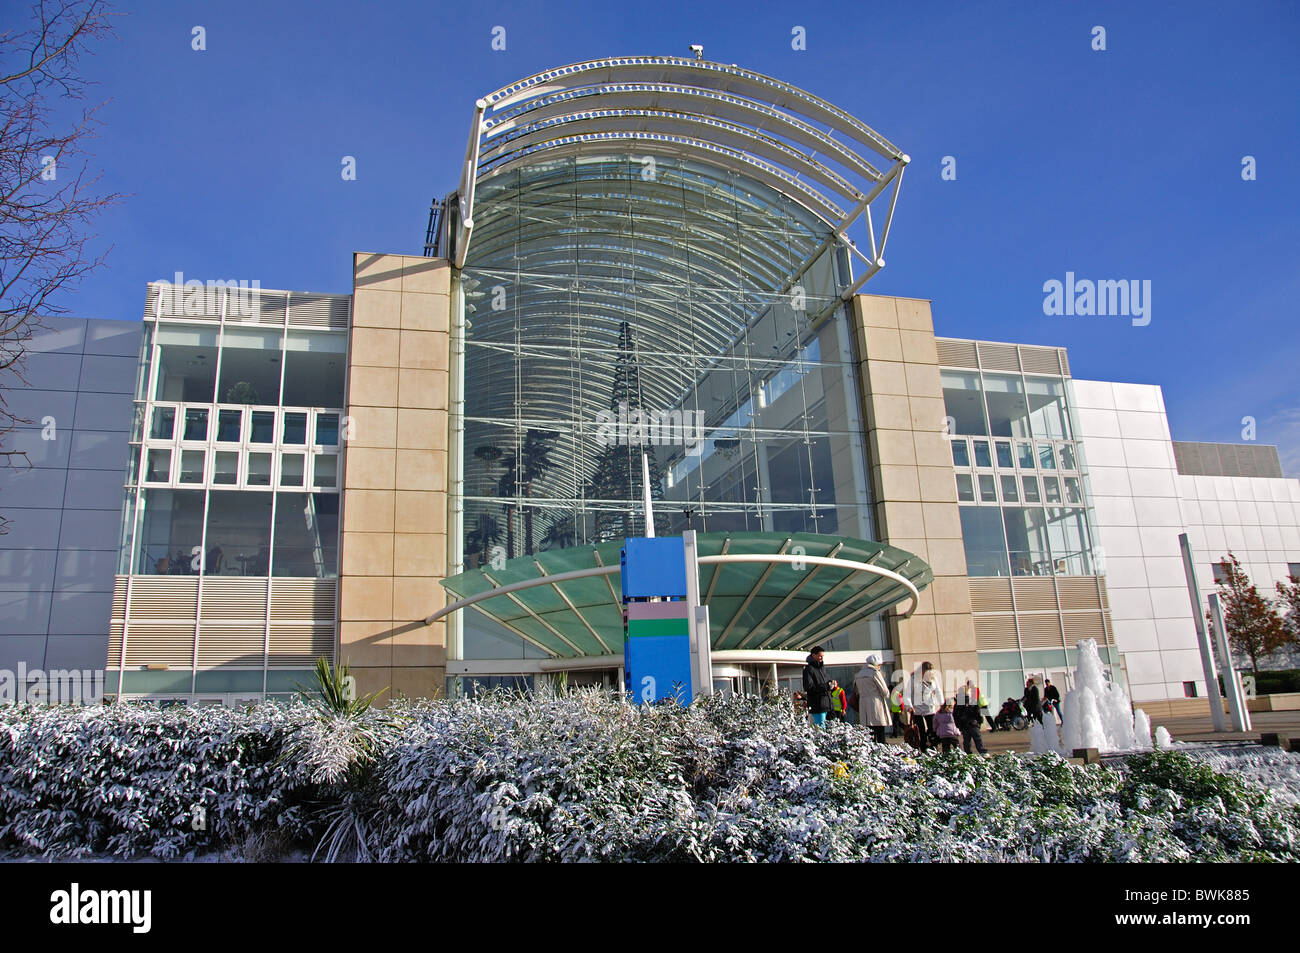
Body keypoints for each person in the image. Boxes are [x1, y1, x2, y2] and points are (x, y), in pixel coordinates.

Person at [906, 661, 944, 751]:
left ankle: (933, 747)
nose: (929, 674)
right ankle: (923, 748)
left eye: (931, 672)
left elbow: (938, 691)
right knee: (920, 731)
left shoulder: (933, 679)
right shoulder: (914, 679)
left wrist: (942, 704)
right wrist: (909, 706)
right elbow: (907, 694)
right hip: (917, 709)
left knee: (932, 729)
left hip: (930, 707)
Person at [854, 656, 892, 743]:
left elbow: (856, 691)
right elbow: (885, 691)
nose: (880, 667)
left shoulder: (859, 674)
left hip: (863, 704)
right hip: (876, 703)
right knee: (880, 731)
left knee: (869, 733)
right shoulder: (875, 673)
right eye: (879, 665)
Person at [953, 679, 988, 754]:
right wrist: (979, 721)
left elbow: (955, 715)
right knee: (977, 739)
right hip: (973, 723)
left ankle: (968, 754)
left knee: (966, 741)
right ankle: (983, 752)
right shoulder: (971, 700)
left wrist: (958, 725)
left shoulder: (958, 703)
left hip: (964, 724)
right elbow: (977, 711)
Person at [802, 646, 831, 727]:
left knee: (826, 727)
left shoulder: (822, 668)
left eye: (822, 656)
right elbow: (809, 687)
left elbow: (827, 682)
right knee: (820, 728)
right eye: (820, 656)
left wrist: (831, 684)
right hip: (817, 704)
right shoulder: (808, 669)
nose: (821, 658)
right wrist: (826, 686)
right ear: (813, 655)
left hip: (826, 704)